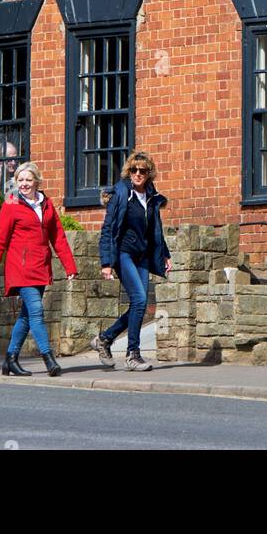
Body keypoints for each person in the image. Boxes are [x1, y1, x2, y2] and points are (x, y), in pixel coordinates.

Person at [0, 163, 77, 377]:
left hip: (41, 267)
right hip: (20, 268)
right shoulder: (11, 203)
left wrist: (69, 266)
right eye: (20, 180)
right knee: (36, 311)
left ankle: (10, 359)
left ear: (37, 181)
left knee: (26, 317)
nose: (24, 184)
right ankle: (49, 359)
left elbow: (58, 238)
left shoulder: (47, 204)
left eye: (28, 180)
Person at [91, 150, 171, 371]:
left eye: (142, 171)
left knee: (141, 304)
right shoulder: (121, 193)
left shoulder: (151, 196)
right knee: (138, 299)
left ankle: (105, 339)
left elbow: (156, 228)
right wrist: (106, 263)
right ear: (129, 171)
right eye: (134, 170)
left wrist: (165, 254)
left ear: (149, 173)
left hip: (143, 255)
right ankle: (132, 355)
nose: (138, 174)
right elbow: (108, 229)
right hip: (124, 253)